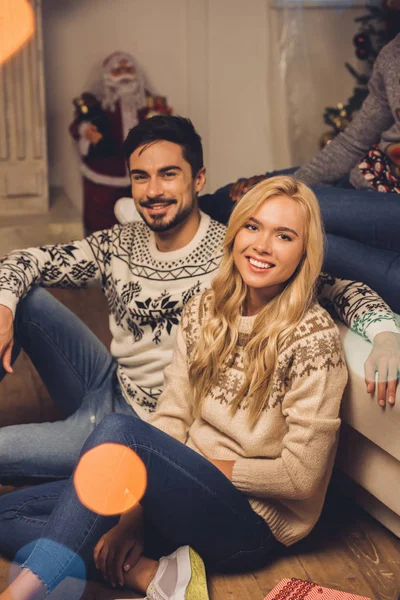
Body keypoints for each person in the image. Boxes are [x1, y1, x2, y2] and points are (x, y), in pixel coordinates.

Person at [0, 176, 349, 600]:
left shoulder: (313, 339)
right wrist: (134, 515)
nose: (262, 245)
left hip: (250, 527)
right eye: (253, 226)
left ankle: (24, 592)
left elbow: (302, 479)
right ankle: (149, 574)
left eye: (284, 235)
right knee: (8, 514)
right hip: (178, 492)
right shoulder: (206, 307)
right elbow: (172, 414)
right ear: (236, 231)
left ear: (304, 252)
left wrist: (194, 469)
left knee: (119, 433)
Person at [0, 116, 398, 487]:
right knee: (19, 297)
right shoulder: (118, 242)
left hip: (144, 423)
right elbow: (25, 261)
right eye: (141, 178)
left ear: (199, 179)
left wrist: (385, 335)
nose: (154, 190)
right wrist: (4, 309)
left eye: (168, 175)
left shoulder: (237, 255)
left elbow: (338, 289)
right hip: (104, 379)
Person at [204, 34, 400, 311]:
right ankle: (173, 219)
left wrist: (280, 196)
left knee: (302, 237)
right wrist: (285, 187)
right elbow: (353, 142)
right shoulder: (395, 54)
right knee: (241, 196)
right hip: (369, 179)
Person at [69, 51, 148, 233]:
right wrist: (86, 130)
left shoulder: (145, 101)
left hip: (137, 174)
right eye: (118, 70)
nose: (124, 75)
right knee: (102, 223)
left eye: (128, 69)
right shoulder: (95, 102)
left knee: (136, 222)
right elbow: (76, 126)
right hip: (104, 175)